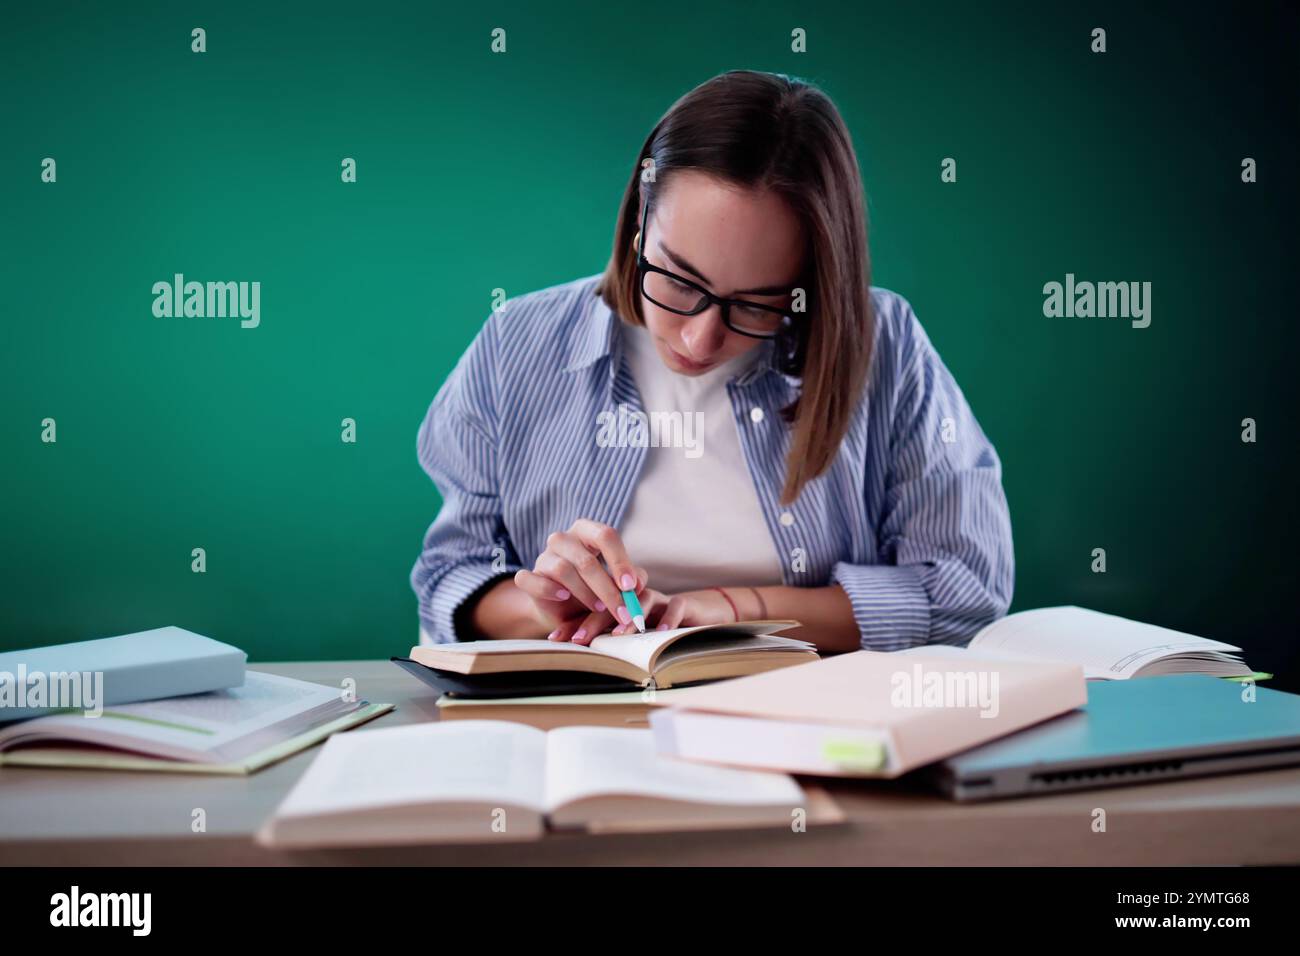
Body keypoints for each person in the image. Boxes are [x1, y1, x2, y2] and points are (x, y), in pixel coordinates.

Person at [411, 70, 1013, 654]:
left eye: (756, 304)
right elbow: (450, 575)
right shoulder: (518, 343)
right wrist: (543, 610)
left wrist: (733, 610)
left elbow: (965, 589)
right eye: (677, 280)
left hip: (810, 718)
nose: (700, 341)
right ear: (639, 220)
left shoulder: (887, 347)